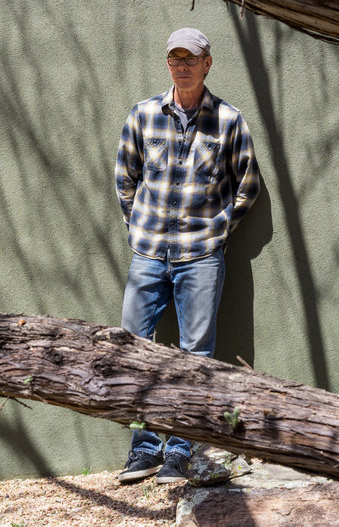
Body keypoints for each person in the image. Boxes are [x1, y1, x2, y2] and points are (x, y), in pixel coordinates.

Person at [114, 27, 261, 484]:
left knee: (195, 354)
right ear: (169, 64)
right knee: (132, 348)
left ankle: (179, 451)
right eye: (175, 58)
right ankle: (144, 449)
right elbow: (125, 179)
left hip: (201, 255)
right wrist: (138, 227)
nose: (182, 65)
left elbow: (248, 184)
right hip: (149, 252)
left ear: (207, 63)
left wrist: (217, 230)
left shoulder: (230, 121)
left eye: (190, 58)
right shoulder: (142, 115)